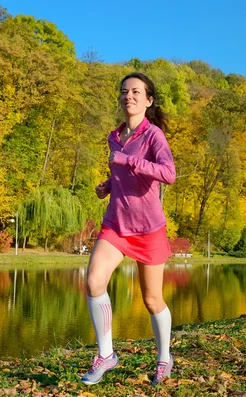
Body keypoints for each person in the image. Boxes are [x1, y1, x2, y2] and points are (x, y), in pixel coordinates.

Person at [81, 72, 176, 387]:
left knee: (151, 300)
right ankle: (106, 355)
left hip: (148, 229)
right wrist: (107, 185)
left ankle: (164, 358)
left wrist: (129, 162)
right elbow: (122, 174)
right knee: (94, 281)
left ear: (148, 101)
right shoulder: (114, 136)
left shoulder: (154, 137)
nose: (129, 96)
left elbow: (168, 174)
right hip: (116, 224)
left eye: (136, 91)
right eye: (124, 91)